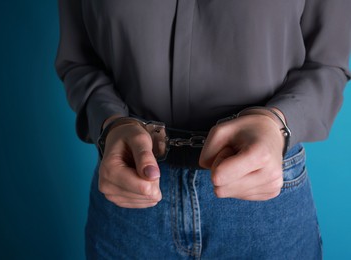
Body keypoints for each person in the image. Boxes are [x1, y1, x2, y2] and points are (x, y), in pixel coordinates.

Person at [55, 0, 351, 258]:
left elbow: (327, 64)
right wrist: (111, 124)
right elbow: (79, 60)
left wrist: (276, 125)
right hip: (129, 200)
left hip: (264, 206)